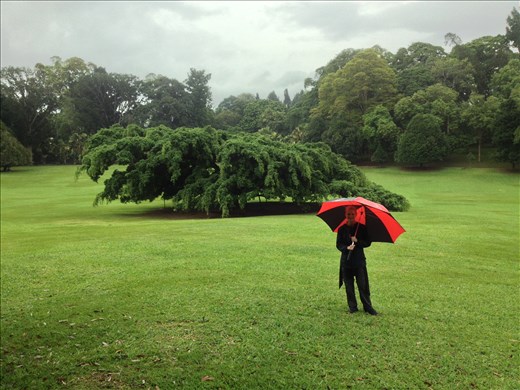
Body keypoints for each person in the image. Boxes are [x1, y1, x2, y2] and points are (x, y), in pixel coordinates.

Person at [336, 206, 378, 315]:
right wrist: (346, 248)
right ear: (346, 215)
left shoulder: (362, 228)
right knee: (349, 287)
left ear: (356, 215)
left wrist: (357, 241)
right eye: (348, 214)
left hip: (359, 261)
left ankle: (368, 307)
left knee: (363, 285)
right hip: (346, 262)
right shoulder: (342, 229)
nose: (350, 216)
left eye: (352, 214)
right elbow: (338, 244)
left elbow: (368, 242)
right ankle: (353, 307)